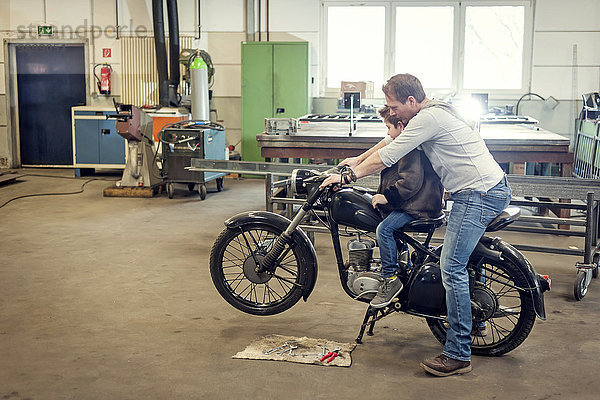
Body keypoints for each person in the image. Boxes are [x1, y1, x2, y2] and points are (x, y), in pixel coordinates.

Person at [322, 73, 511, 377]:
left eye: (393, 107)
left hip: (477, 195)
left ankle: (459, 354)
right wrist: (358, 159)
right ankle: (474, 321)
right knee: (459, 258)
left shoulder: (429, 118)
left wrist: (347, 178)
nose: (391, 112)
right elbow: (388, 141)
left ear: (411, 101)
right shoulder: (432, 112)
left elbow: (389, 154)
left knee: (451, 266)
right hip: (485, 189)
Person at [366, 106, 444, 309]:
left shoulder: (409, 147)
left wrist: (387, 197)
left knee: (384, 229)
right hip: (425, 201)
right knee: (388, 225)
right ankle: (404, 268)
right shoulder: (411, 141)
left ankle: (390, 278)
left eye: (388, 128)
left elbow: (410, 181)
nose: (387, 134)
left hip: (419, 205)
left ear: (400, 126)